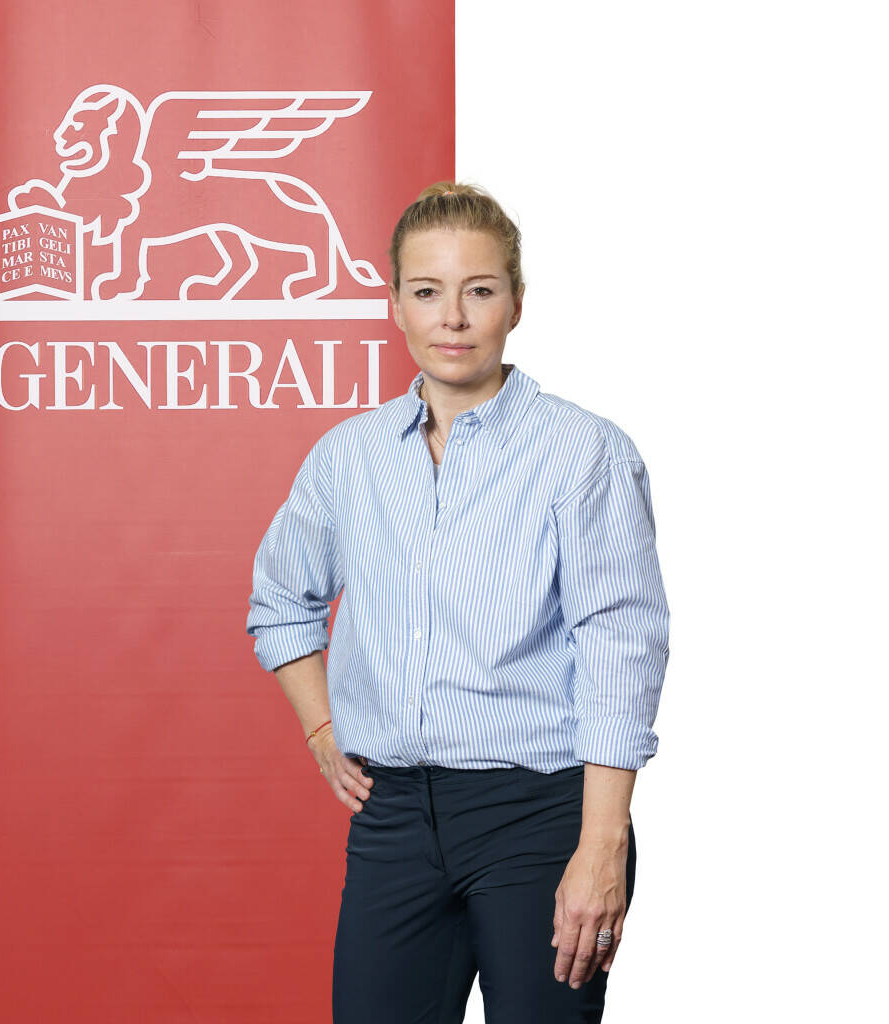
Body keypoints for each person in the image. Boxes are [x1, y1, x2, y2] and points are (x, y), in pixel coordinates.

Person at [245, 181, 670, 1023]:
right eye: (426, 291)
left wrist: (602, 844)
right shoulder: (349, 458)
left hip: (541, 814)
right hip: (395, 818)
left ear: (517, 302)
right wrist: (324, 729)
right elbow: (280, 601)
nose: (452, 318)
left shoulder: (581, 452)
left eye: (478, 290)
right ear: (394, 304)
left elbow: (621, 646)